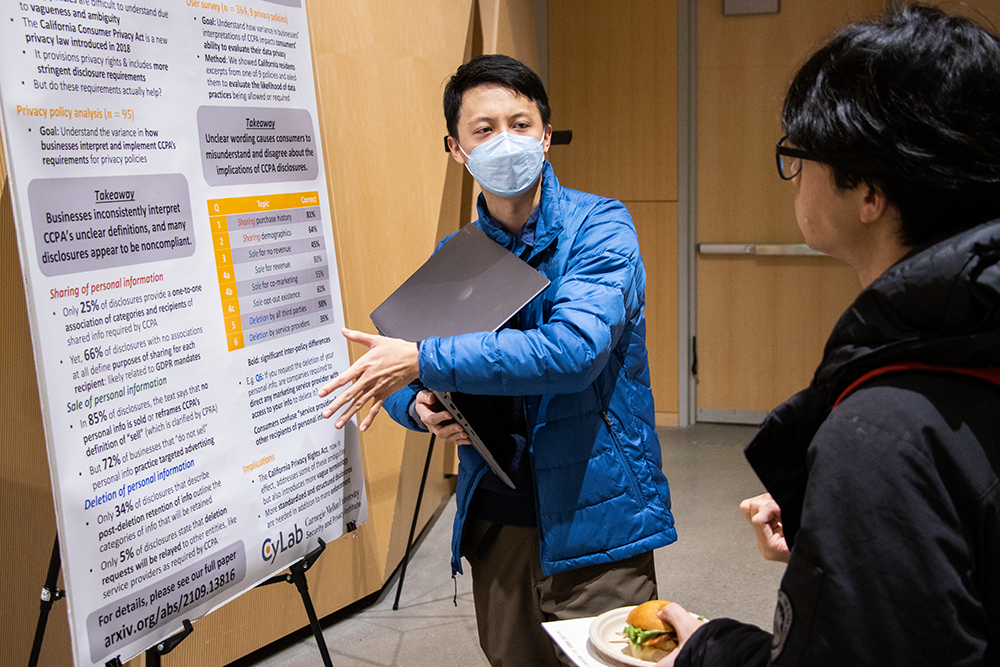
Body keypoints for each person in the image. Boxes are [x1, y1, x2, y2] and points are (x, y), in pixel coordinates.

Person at [657, 5, 1000, 666]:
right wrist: (848, 532)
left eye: (798, 155)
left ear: (869, 190)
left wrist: (707, 649)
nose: (795, 178)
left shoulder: (884, 433)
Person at [318, 54, 676, 666]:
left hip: (596, 510)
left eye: (521, 123)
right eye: (484, 129)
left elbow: (573, 353)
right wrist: (420, 404)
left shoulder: (601, 226)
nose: (505, 141)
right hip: (498, 515)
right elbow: (414, 371)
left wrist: (422, 361)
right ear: (456, 148)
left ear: (545, 132)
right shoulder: (458, 253)